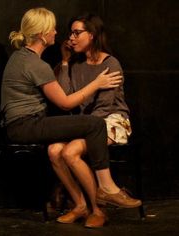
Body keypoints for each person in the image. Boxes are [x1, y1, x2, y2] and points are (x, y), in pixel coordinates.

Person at [0, 7, 123, 228]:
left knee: (57, 148)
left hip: (23, 124)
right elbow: (65, 102)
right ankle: (106, 187)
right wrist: (96, 84)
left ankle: (84, 205)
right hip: (27, 125)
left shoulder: (20, 57)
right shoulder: (36, 64)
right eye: (53, 29)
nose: (57, 33)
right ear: (42, 34)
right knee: (94, 124)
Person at [48, 13, 142, 227]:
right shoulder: (75, 64)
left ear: (91, 35)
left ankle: (97, 210)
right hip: (84, 124)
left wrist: (80, 127)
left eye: (77, 32)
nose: (71, 37)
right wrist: (64, 62)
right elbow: (65, 96)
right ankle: (80, 205)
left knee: (71, 151)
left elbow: (105, 108)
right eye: (70, 32)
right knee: (54, 150)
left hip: (112, 121)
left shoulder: (111, 63)